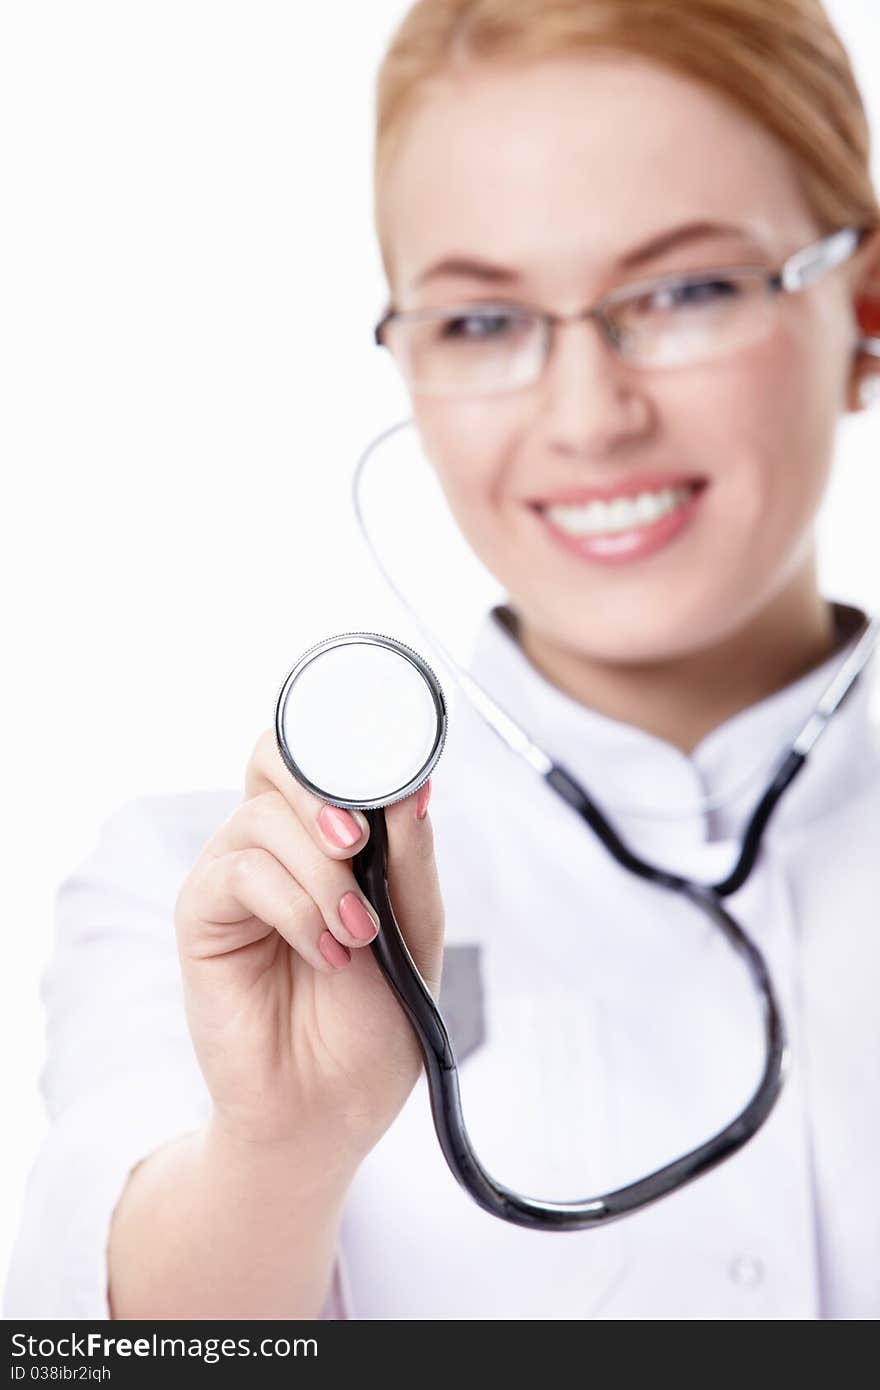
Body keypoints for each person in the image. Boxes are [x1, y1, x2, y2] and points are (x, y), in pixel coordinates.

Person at [5, 0, 880, 1321]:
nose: (590, 417)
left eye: (687, 290)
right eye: (482, 323)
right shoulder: (200, 895)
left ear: (864, 304)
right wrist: (282, 1149)